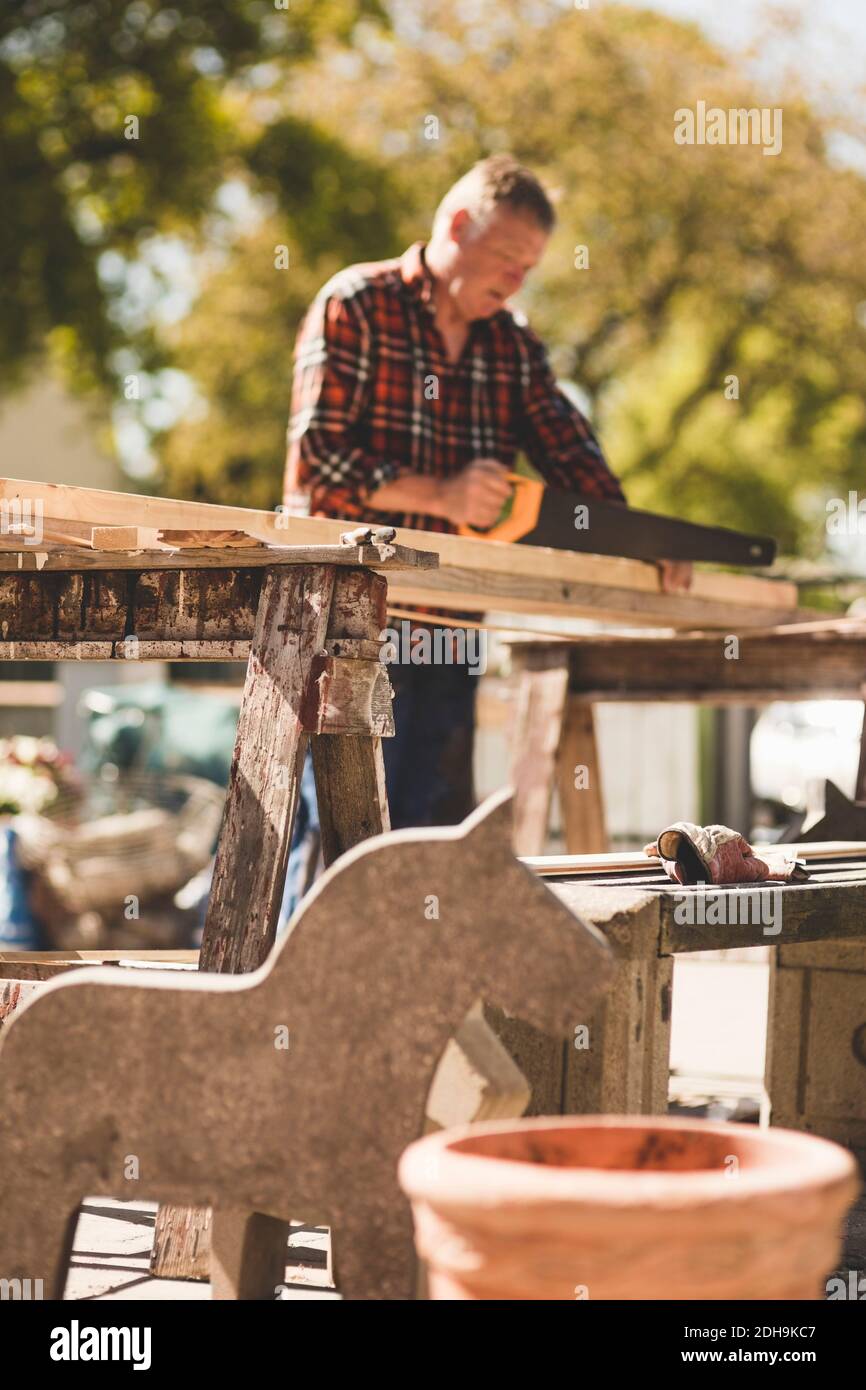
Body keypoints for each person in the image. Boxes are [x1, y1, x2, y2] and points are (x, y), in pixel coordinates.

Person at [280, 154, 690, 916]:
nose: (516, 281)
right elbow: (318, 466)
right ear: (457, 226)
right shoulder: (357, 303)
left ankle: (413, 1021)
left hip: (449, 623)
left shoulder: (511, 344)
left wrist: (639, 535)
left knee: (433, 832)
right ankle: (292, 1019)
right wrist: (437, 491)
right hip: (343, 623)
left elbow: (572, 453)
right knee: (339, 845)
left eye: (529, 268)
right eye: (507, 259)